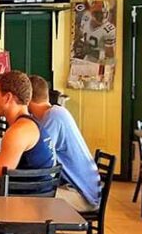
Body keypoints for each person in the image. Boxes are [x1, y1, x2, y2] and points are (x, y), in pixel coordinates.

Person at [29, 75, 100, 211]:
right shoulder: (56, 112)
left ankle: (25, 232)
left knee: (28, 197)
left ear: (27, 99)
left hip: (82, 196)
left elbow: (41, 157)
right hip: (81, 190)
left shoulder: (53, 117)